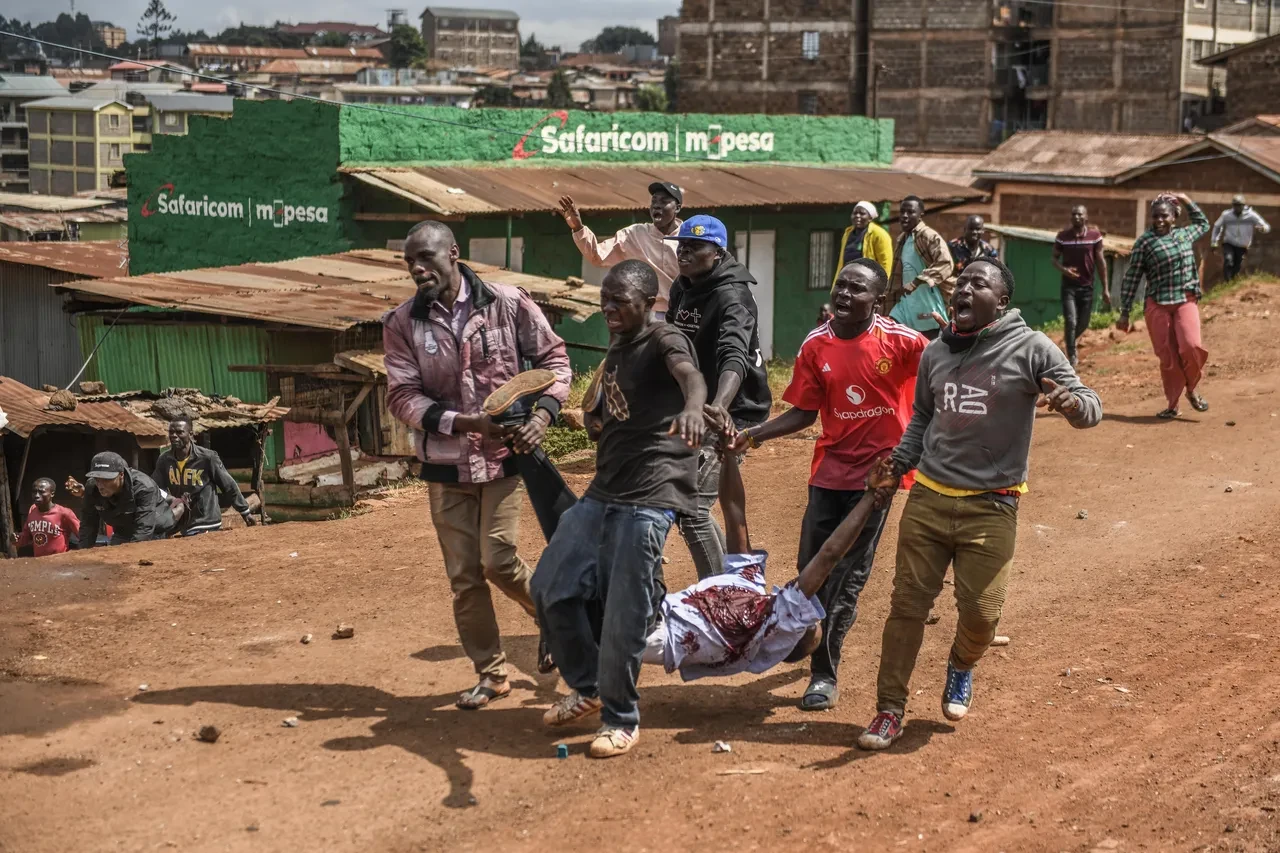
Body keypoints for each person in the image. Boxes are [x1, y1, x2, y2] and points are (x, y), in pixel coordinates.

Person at [857, 258, 1102, 751]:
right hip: (928, 497)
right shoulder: (936, 352)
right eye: (959, 282)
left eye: (977, 283)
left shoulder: (1031, 348)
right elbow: (923, 418)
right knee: (906, 606)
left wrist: (1072, 405)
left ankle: (961, 665)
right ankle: (889, 709)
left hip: (992, 507)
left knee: (981, 616)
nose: (961, 289)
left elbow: (1089, 404)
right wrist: (898, 464)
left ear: (1001, 301)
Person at [383, 220, 571, 710]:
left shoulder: (507, 303)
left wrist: (544, 415)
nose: (417, 270)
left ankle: (553, 617)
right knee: (465, 577)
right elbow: (402, 396)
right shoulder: (402, 323)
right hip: (445, 466)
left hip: (505, 459)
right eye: (410, 263)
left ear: (454, 253)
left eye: (425, 258)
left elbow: (554, 362)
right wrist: (464, 423)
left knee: (499, 560)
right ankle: (491, 673)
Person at [728, 258, 927, 711]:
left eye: (857, 289)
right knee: (811, 570)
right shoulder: (816, 345)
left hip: (878, 478)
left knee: (847, 580)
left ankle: (823, 674)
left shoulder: (903, 341)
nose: (843, 294)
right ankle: (805, 639)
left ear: (878, 301)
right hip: (830, 471)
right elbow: (804, 411)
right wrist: (751, 435)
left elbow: (943, 370)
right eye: (841, 285)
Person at [532, 259, 707, 759]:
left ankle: (620, 718)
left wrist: (694, 407)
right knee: (551, 587)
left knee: (624, 613)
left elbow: (689, 374)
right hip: (605, 490)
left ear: (649, 302)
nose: (607, 308)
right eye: (604, 298)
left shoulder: (663, 339)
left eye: (619, 301)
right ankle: (587, 686)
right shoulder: (621, 335)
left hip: (650, 496)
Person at [641, 444, 898, 681]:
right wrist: (728, 452)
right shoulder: (749, 584)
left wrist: (869, 497)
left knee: (638, 534)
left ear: (789, 635)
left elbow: (830, 554)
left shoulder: (777, 622)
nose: (809, 615)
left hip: (659, 635)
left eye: (808, 625)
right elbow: (734, 511)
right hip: (657, 609)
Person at [665, 214, 773, 580]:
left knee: (693, 509)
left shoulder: (733, 295)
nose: (684, 252)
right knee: (687, 508)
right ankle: (732, 581)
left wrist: (719, 408)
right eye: (682, 245)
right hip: (697, 404)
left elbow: (734, 355)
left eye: (694, 246)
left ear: (717, 251)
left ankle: (722, 596)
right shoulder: (683, 285)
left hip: (732, 410)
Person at [1118, 192, 1211, 419]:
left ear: (1174, 217)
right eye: (1155, 216)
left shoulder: (1185, 234)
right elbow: (1132, 277)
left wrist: (1185, 198)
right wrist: (1125, 312)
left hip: (1185, 300)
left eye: (1164, 216)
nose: (1159, 220)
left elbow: (1203, 223)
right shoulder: (1145, 242)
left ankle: (1191, 388)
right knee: (1168, 357)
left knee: (1190, 346)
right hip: (1157, 304)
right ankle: (1173, 403)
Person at [559, 181, 683, 319]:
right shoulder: (634, 234)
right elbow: (598, 256)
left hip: (684, 314)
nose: (657, 205)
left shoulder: (689, 238)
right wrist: (578, 227)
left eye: (664, 201)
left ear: (677, 208)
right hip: (646, 316)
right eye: (654, 201)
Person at [152, 418, 257, 536]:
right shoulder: (165, 460)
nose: (174, 436)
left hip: (205, 519)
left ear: (190, 434)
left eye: (180, 432)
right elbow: (155, 488)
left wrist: (245, 511)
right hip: (181, 517)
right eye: (171, 432)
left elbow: (228, 485)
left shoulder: (207, 458)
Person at [75, 452, 184, 548]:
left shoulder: (144, 487)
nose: (100, 485)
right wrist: (83, 553)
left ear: (121, 475)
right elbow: (88, 523)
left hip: (154, 528)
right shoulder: (92, 487)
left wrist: (131, 555)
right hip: (123, 529)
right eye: (97, 479)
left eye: (106, 479)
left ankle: (179, 507)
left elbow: (144, 529)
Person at [887, 196, 956, 341]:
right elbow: (897, 275)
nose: (905, 216)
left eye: (910, 212)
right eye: (902, 212)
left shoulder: (928, 236)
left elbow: (946, 263)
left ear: (920, 215)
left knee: (926, 345)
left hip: (927, 301)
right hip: (906, 303)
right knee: (891, 329)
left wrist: (917, 282)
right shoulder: (902, 239)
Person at [1052, 205, 1110, 367]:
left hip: (1087, 287)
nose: (1076, 217)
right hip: (1069, 287)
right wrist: (1065, 270)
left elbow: (1101, 263)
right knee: (1071, 320)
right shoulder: (1063, 237)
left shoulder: (1094, 236)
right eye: (1074, 214)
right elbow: (1054, 259)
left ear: (1086, 217)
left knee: (1083, 323)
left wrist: (1105, 288)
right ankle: (1071, 355)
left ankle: (1069, 341)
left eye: (1080, 214)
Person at [1211, 194, 1271, 283]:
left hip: (1242, 245)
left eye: (1239, 205)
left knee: (1237, 266)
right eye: (1235, 205)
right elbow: (1217, 226)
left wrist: (1263, 229)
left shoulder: (1251, 215)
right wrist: (1214, 242)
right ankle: (1228, 282)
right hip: (1229, 243)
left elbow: (1265, 226)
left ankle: (1233, 281)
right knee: (1228, 260)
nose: (1237, 208)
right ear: (1232, 206)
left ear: (1243, 205)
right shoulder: (1226, 215)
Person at [12, 478, 79, 557]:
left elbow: (82, 534)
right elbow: (27, 536)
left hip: (59, 564)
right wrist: (17, 538)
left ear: (52, 494)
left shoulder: (64, 513)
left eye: (41, 492)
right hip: (40, 564)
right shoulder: (32, 510)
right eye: (34, 492)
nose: (36, 496)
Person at [835, 201, 894, 280]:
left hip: (867, 280)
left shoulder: (879, 234)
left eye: (862, 213)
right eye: (855, 213)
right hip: (847, 278)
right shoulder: (847, 233)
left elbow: (885, 263)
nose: (857, 216)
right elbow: (841, 261)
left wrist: (881, 285)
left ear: (870, 218)